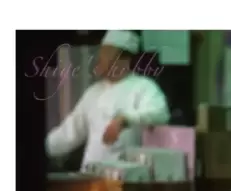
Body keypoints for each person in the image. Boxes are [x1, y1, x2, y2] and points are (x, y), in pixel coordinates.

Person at [45, 30, 170, 170]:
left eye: (106, 53)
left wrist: (124, 120)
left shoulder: (143, 87)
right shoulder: (93, 92)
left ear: (123, 58)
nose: (99, 58)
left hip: (125, 177)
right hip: (90, 176)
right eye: (101, 52)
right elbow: (68, 133)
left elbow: (160, 113)